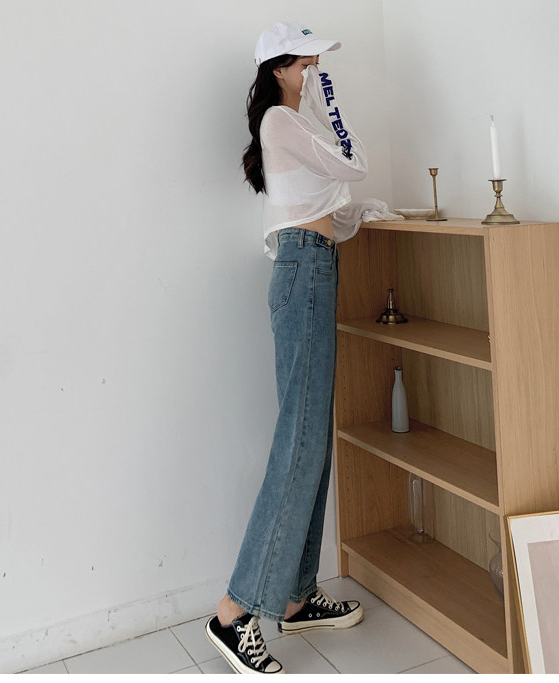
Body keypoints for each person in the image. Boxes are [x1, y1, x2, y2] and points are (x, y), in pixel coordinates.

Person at [205, 21, 388, 674]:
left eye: (318, 64)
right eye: (308, 63)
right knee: (299, 442)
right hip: (305, 272)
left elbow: (324, 204)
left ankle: (295, 594)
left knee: (311, 439)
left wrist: (363, 215)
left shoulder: (287, 126)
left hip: (313, 267)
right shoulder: (283, 122)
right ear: (280, 68)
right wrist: (333, 100)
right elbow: (353, 163)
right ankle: (234, 612)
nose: (316, 71)